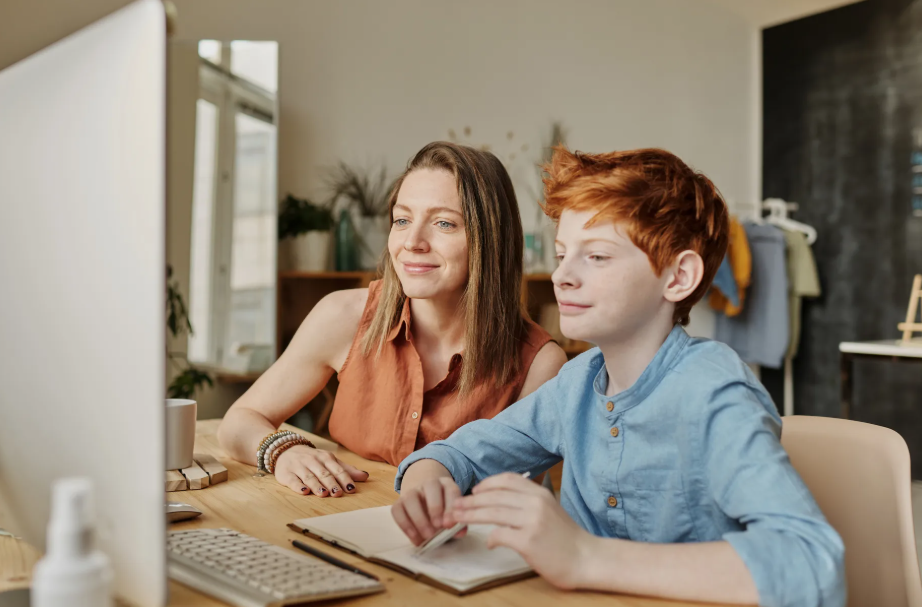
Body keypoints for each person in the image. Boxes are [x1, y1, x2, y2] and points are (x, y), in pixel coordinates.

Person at [392, 147, 845, 607]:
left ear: (678, 276)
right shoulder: (577, 383)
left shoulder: (714, 392)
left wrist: (584, 557)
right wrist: (425, 485)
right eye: (563, 254)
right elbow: (460, 452)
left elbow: (811, 563)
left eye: (598, 257)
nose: (562, 276)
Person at [217, 141, 567, 498]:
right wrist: (284, 451)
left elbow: (514, 495)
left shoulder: (539, 364)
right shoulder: (342, 316)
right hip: (325, 526)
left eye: (444, 223)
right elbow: (238, 420)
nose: (412, 241)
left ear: (490, 239)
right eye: (402, 220)